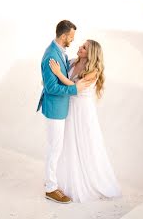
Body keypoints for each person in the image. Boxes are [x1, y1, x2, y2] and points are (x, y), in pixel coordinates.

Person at [49, 39, 122, 203]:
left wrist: (58, 73)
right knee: (68, 143)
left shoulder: (94, 72)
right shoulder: (73, 62)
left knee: (85, 143)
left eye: (84, 47)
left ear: (91, 53)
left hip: (82, 111)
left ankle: (88, 180)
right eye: (81, 45)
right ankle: (64, 179)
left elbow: (75, 88)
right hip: (68, 108)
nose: (80, 48)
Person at [36, 20, 90, 204]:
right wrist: (75, 89)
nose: (73, 41)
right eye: (72, 37)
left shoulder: (60, 52)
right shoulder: (51, 55)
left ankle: (51, 181)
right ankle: (51, 188)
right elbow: (51, 88)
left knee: (56, 147)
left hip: (60, 108)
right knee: (54, 148)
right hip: (55, 109)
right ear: (64, 36)